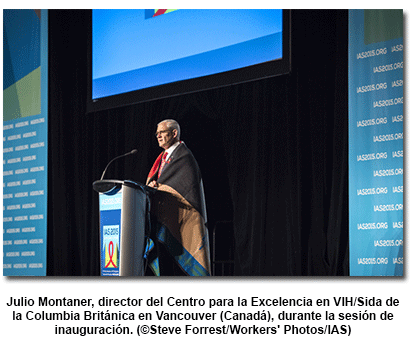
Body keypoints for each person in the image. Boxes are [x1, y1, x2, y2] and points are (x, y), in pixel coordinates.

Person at [145, 119, 211, 276]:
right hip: (164, 219)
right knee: (165, 265)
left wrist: (160, 187)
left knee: (178, 269)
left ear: (174, 133)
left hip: (180, 221)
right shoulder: (161, 158)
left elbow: (185, 188)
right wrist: (154, 185)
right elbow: (163, 181)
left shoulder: (184, 156)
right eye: (157, 133)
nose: (158, 136)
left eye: (162, 132)